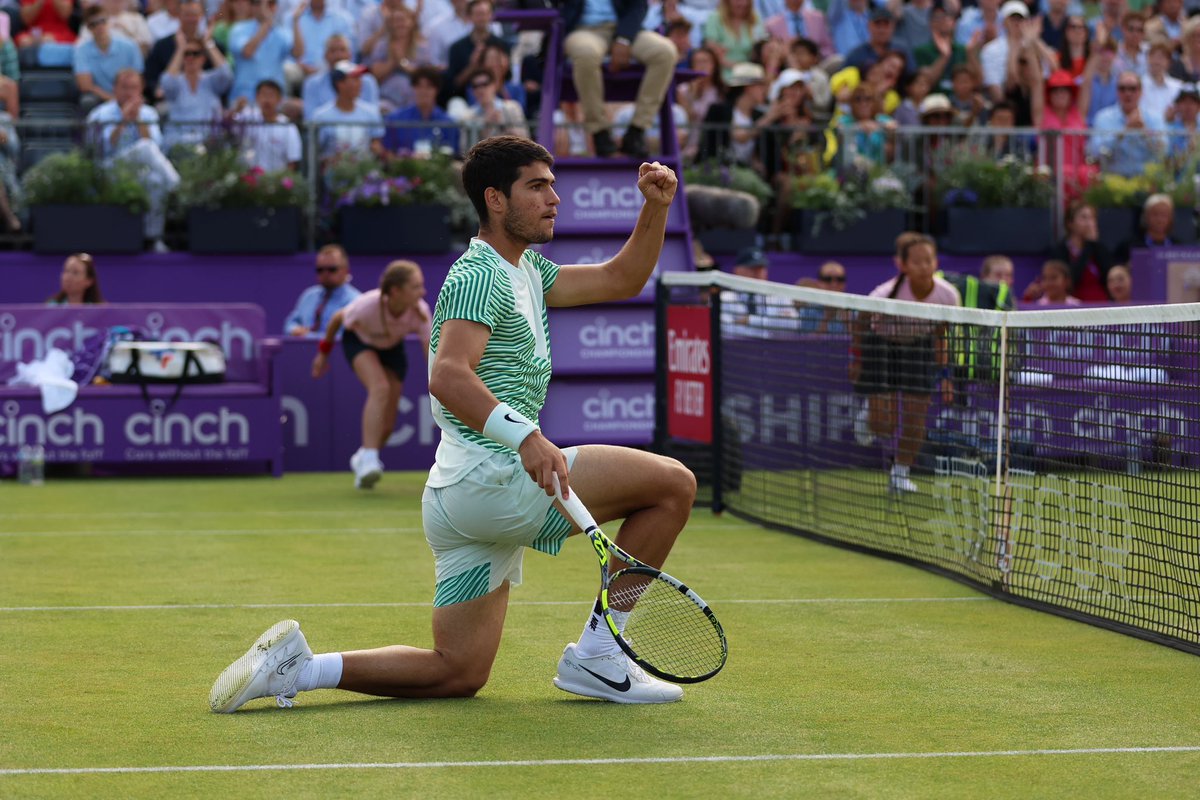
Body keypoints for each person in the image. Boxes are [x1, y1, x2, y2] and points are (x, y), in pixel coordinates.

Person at [208, 135, 695, 712]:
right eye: (537, 186)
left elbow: (621, 279)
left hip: (458, 500)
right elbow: (447, 375)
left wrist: (656, 208)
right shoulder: (479, 274)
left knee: (457, 671)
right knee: (673, 484)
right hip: (496, 477)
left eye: (553, 185)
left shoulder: (529, 272)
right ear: (495, 199)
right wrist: (527, 435)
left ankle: (299, 668)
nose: (554, 198)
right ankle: (600, 654)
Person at [851, 233, 960, 494]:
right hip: (882, 345)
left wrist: (945, 375)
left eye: (929, 260)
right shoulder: (885, 294)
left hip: (919, 347)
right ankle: (870, 414)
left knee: (916, 415)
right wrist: (857, 358)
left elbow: (942, 336)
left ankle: (900, 474)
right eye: (918, 261)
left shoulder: (947, 295)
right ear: (902, 265)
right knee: (883, 426)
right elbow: (860, 322)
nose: (925, 266)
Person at [312, 260, 431, 489]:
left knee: (386, 426)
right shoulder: (367, 305)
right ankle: (368, 459)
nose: (422, 292)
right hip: (359, 341)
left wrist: (437, 381)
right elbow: (337, 319)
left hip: (392, 348)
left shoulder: (421, 312)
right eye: (416, 286)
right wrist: (323, 355)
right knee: (380, 387)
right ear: (396, 291)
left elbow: (430, 353)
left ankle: (364, 457)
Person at [563, 0, 678, 159]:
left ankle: (636, 131)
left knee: (665, 52)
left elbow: (638, 5)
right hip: (583, 30)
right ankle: (599, 132)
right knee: (586, 54)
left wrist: (624, 39)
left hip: (625, 29)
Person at [85, 69, 180, 252]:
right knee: (145, 148)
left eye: (134, 87)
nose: (129, 92)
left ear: (141, 89)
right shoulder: (100, 113)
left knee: (156, 181)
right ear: (115, 89)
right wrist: (122, 120)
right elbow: (102, 148)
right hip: (109, 170)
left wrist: (137, 120)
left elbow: (156, 146)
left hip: (140, 171)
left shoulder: (148, 113)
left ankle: (153, 238)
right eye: (124, 87)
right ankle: (176, 185)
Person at [160, 33, 232, 148]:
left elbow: (226, 74)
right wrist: (180, 49)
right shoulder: (176, 82)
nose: (190, 58)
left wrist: (208, 43)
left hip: (208, 142)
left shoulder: (211, 80)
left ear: (203, 58)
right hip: (179, 143)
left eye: (195, 54)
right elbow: (167, 83)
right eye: (186, 54)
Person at [311, 59, 387, 163]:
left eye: (359, 79)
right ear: (340, 84)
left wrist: (376, 150)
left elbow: (376, 143)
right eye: (355, 79)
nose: (360, 83)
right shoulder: (321, 116)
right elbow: (316, 151)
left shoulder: (371, 112)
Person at [74, 5, 145, 113]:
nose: (99, 26)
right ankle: (91, 130)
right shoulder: (81, 50)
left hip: (129, 96)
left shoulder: (130, 46)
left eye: (102, 21)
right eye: (93, 24)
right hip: (100, 101)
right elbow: (86, 86)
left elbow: (138, 79)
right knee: (88, 101)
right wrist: (114, 100)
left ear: (109, 21)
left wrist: (125, 99)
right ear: (88, 28)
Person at [1040, 200, 1114, 302]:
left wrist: (1093, 245)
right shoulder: (1060, 250)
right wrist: (1088, 246)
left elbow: (1109, 277)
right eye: (1084, 217)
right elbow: (1071, 281)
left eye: (1092, 218)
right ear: (1070, 223)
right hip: (1073, 306)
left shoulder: (1100, 248)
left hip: (1101, 305)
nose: (1089, 223)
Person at [719, 246, 800, 338]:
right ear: (737, 270)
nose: (758, 273)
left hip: (773, 351)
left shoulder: (779, 297)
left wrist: (750, 320)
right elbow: (727, 331)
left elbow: (793, 325)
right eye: (752, 268)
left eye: (761, 268)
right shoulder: (724, 298)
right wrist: (769, 328)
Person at [283, 243, 362, 336]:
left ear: (346, 271)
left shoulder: (356, 301)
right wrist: (294, 330)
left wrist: (308, 336)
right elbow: (290, 324)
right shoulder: (309, 296)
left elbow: (345, 337)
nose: (325, 274)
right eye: (320, 270)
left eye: (332, 269)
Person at [301, 34, 381, 120]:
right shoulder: (312, 83)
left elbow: (374, 119)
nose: (338, 55)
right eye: (333, 51)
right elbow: (311, 121)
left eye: (342, 50)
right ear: (325, 55)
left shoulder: (367, 81)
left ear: (350, 54)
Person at [382, 65, 457, 155]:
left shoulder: (449, 123)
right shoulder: (395, 119)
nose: (423, 91)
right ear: (413, 88)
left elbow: (453, 156)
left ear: (437, 90)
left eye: (429, 86)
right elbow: (387, 153)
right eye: (419, 86)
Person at [237, 78, 303, 171]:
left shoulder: (288, 127)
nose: (267, 100)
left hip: (275, 181)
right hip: (247, 179)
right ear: (257, 97)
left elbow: (292, 161)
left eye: (271, 95)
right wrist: (236, 110)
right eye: (264, 95)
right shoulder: (246, 117)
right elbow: (228, 132)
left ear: (280, 99)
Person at [796, 261, 850, 334]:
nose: (834, 284)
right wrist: (826, 319)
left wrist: (848, 322)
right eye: (828, 279)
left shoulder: (853, 312)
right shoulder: (807, 311)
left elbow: (857, 343)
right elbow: (807, 343)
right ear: (819, 283)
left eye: (840, 279)